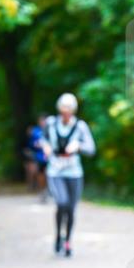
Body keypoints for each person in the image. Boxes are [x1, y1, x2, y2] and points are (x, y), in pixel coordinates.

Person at [41, 93, 95, 257]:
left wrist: (78, 146)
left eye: (69, 109)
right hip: (56, 171)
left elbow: (91, 149)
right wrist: (46, 147)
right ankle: (58, 235)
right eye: (63, 109)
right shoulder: (51, 123)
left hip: (74, 172)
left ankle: (68, 241)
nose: (66, 113)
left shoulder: (80, 126)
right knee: (62, 203)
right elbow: (43, 139)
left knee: (71, 209)